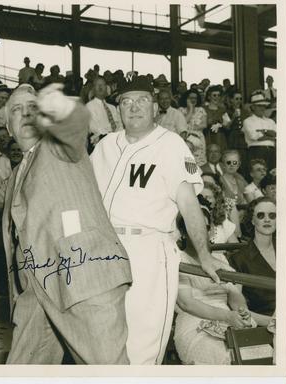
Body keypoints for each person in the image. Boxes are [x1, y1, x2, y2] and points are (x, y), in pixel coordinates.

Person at [0, 84, 132, 364]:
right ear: (9, 130)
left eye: (33, 108)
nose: (26, 114)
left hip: (84, 278)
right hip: (37, 289)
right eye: (16, 110)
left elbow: (76, 125)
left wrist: (59, 107)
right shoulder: (19, 171)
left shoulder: (59, 146)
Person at [90, 75, 225, 365]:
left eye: (142, 101)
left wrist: (203, 255)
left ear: (154, 107)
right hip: (104, 249)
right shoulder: (104, 146)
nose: (134, 107)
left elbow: (189, 205)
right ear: (118, 109)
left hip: (148, 248)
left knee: (142, 345)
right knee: (103, 340)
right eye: (126, 102)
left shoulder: (170, 144)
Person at [174, 202, 252, 365]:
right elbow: (186, 303)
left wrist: (241, 311)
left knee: (258, 352)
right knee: (223, 356)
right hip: (194, 323)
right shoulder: (178, 258)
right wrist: (227, 316)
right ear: (182, 231)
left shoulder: (220, 259)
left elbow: (234, 295)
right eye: (192, 227)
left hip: (229, 320)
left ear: (210, 231)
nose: (199, 233)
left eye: (205, 227)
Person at [229, 197, 276, 325]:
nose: (267, 219)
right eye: (261, 215)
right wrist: (274, 322)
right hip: (266, 324)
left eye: (272, 215)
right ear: (252, 220)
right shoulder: (238, 259)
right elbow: (238, 306)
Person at [242, 91, 276, 171]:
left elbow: (275, 135)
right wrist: (269, 135)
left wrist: (263, 131)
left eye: (264, 106)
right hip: (256, 151)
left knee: (272, 175)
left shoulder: (270, 121)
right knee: (258, 176)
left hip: (271, 151)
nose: (262, 108)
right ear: (253, 107)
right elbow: (254, 136)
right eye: (259, 106)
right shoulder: (248, 121)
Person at [86, 76, 123, 147]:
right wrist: (112, 130)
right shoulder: (89, 107)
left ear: (106, 88)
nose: (100, 87)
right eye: (97, 85)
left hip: (115, 142)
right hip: (99, 144)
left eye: (103, 85)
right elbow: (96, 129)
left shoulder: (112, 107)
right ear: (93, 89)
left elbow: (120, 125)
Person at [223, 90, 250, 178]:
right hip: (233, 139)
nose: (239, 101)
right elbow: (226, 127)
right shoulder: (227, 112)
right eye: (236, 99)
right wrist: (233, 117)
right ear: (231, 100)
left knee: (244, 162)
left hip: (243, 139)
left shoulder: (245, 112)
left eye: (240, 99)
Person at [179, 89, 208, 166]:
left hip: (199, 137)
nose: (193, 100)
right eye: (191, 98)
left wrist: (190, 127)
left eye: (195, 98)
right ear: (186, 99)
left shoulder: (201, 110)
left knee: (199, 161)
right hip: (186, 137)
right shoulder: (181, 110)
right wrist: (191, 109)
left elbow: (204, 125)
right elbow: (183, 123)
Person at [203, 85, 228, 151]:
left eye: (218, 95)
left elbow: (227, 125)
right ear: (209, 97)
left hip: (220, 137)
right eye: (214, 95)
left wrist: (221, 124)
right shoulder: (204, 109)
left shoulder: (223, 110)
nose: (217, 97)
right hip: (208, 136)